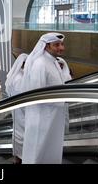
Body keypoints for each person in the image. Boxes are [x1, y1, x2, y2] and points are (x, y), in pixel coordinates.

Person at [21, 33, 72, 164]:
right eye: (57, 45)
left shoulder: (53, 62)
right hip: (42, 119)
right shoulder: (40, 64)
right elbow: (37, 96)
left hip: (53, 118)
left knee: (51, 151)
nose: (61, 48)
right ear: (46, 46)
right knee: (38, 153)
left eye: (61, 44)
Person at [5, 53, 29, 164]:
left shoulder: (14, 76)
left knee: (18, 137)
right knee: (23, 138)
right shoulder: (19, 78)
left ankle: (18, 159)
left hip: (17, 114)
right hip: (22, 114)